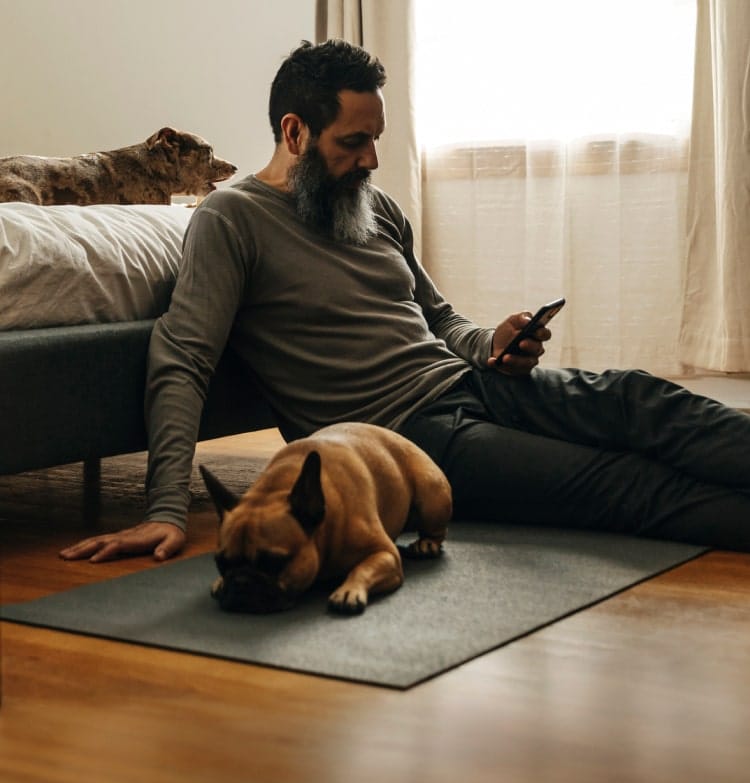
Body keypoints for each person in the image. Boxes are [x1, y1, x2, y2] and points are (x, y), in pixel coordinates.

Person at [61, 39, 750, 564]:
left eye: (375, 140)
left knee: (637, 399)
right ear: (294, 132)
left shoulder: (375, 206)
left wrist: (492, 343)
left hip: (471, 384)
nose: (371, 160)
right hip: (403, 439)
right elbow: (182, 359)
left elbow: (439, 318)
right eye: (352, 142)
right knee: (622, 483)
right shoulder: (231, 221)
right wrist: (166, 509)